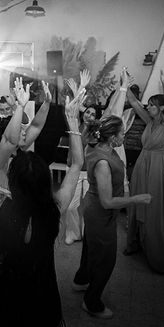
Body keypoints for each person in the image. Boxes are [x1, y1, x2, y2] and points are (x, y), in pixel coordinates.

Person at [0, 79, 85, 327]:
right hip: (43, 295)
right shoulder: (56, 208)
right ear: (45, 181)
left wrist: (18, 108)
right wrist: (72, 120)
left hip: (6, 294)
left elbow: (2, 150)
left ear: (10, 181)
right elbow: (76, 165)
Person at [72, 109, 152, 319]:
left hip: (93, 208)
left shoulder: (100, 146)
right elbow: (107, 202)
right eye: (122, 133)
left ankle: (81, 280)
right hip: (99, 213)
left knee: (90, 248)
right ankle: (92, 302)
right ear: (112, 137)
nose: (124, 136)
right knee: (106, 260)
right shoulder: (103, 162)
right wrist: (136, 199)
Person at [124, 68, 164, 274]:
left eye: (153, 105)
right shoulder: (149, 121)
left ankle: (155, 249)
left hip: (155, 168)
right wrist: (125, 84)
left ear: (161, 108)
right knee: (136, 203)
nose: (149, 106)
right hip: (141, 165)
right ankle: (134, 242)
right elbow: (135, 103)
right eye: (150, 105)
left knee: (152, 207)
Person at [63, 70, 92, 245]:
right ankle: (73, 233)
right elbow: (74, 107)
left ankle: (87, 233)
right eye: (87, 112)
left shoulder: (96, 130)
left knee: (89, 207)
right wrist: (79, 88)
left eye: (93, 114)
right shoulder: (77, 124)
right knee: (71, 205)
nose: (89, 115)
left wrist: (80, 88)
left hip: (89, 173)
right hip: (72, 170)